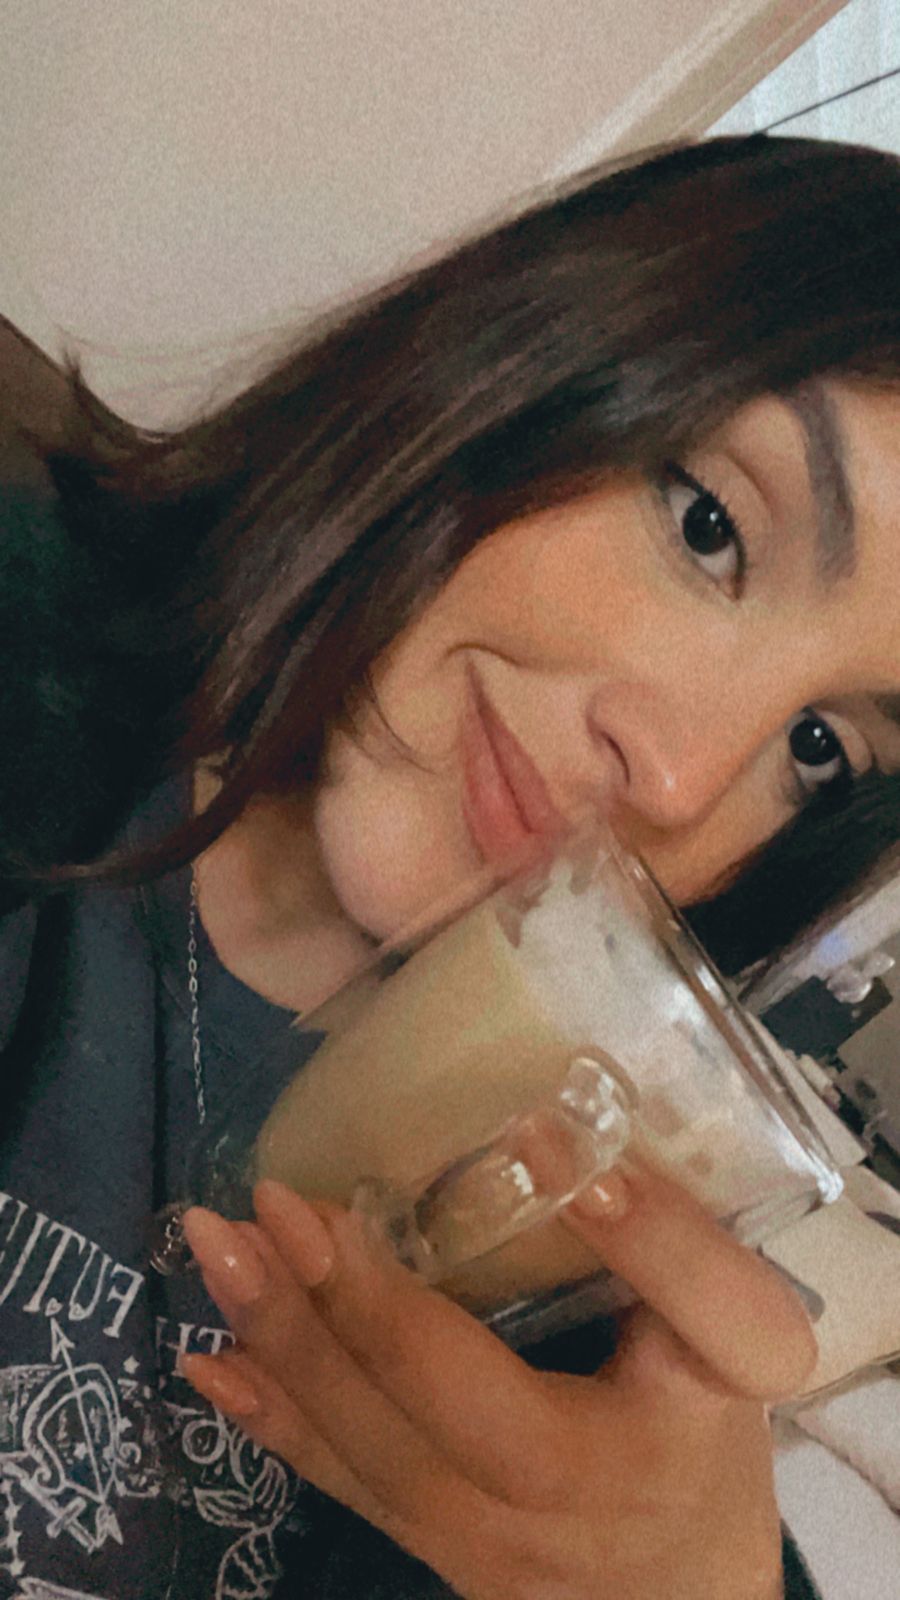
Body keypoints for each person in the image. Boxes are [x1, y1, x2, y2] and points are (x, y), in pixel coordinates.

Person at [1, 131, 899, 1598]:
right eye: (709, 527)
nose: (678, 777)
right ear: (535, 355)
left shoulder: (572, 1273)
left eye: (820, 747)